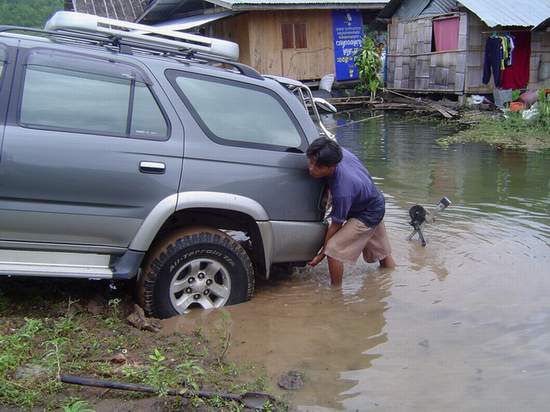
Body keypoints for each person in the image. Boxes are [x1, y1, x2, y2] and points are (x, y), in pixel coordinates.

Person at [307, 137, 395, 285]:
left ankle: (336, 294)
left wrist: (321, 254)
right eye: (310, 162)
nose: (311, 169)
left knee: (333, 250)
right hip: (373, 199)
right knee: (382, 254)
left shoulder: (343, 189)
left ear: (332, 167)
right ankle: (391, 284)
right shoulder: (338, 152)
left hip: (367, 213)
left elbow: (336, 225)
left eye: (318, 167)